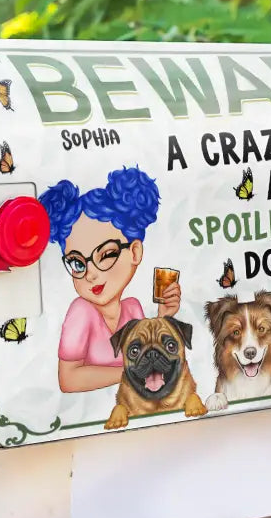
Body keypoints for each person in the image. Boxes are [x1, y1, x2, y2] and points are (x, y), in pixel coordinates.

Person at [39, 166, 181, 393]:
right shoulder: (82, 312)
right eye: (77, 263)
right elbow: (68, 379)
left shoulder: (133, 309)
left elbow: (151, 358)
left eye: (105, 255)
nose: (91, 273)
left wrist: (163, 317)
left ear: (134, 252)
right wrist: (132, 372)